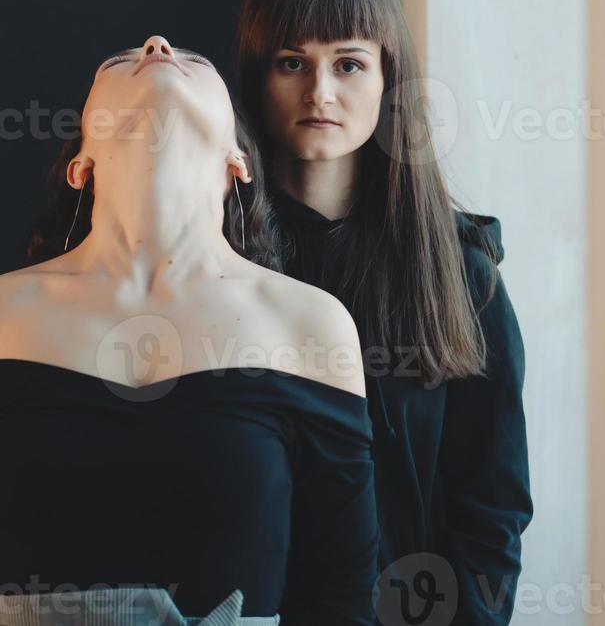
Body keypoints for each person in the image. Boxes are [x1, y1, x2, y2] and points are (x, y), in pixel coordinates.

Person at [0, 35, 380, 625]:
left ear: (238, 160)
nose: (156, 46)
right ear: (82, 165)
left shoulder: (311, 325)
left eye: (196, 62)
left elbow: (343, 594)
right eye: (120, 61)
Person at [236, 0, 534, 625]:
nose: (320, 91)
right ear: (257, 79)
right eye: (292, 62)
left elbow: (493, 508)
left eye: (348, 63)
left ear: (388, 80)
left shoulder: (461, 275)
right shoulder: (216, 260)